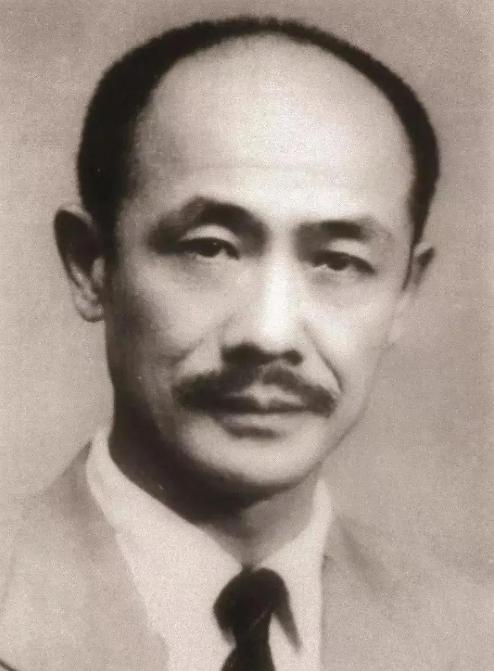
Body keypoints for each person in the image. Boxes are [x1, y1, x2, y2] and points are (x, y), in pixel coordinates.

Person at [0, 14, 460, 671]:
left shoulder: (471, 636)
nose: (268, 334)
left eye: (338, 261)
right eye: (210, 249)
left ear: (404, 293)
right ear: (91, 266)